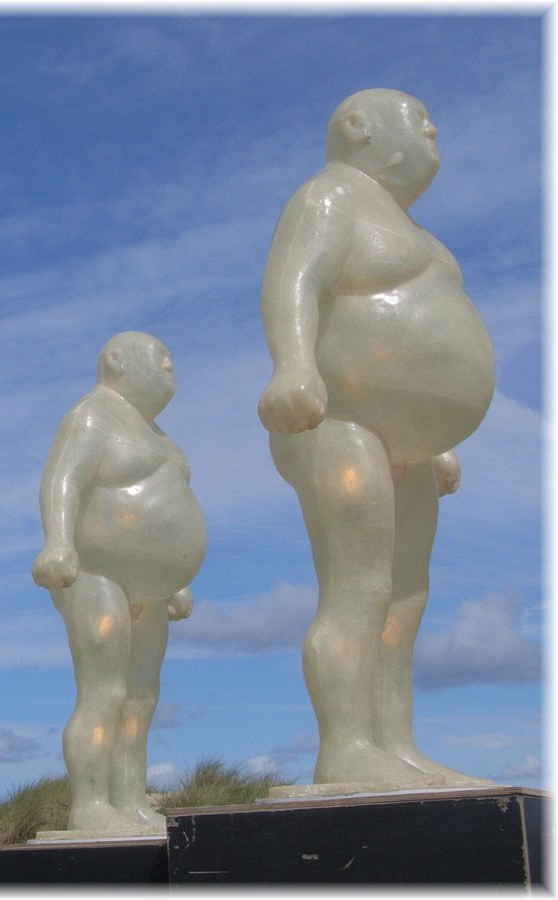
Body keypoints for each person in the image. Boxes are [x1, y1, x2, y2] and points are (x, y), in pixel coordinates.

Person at [258, 89, 495, 790]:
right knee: (358, 587)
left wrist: (437, 432)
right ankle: (346, 746)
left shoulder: (425, 237)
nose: (432, 132)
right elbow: (292, 281)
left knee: (405, 599)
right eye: (419, 121)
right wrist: (293, 365)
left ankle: (396, 745)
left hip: (409, 445)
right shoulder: (328, 196)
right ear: (360, 129)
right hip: (337, 421)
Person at [33, 332, 206, 833]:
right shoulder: (91, 416)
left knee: (141, 697)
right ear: (116, 360)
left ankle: (129, 800)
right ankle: (89, 805)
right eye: (161, 358)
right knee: (103, 693)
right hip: (94, 573)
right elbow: (62, 478)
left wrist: (173, 577)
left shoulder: (160, 437)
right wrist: (58, 542)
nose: (171, 367)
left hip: (148, 589)